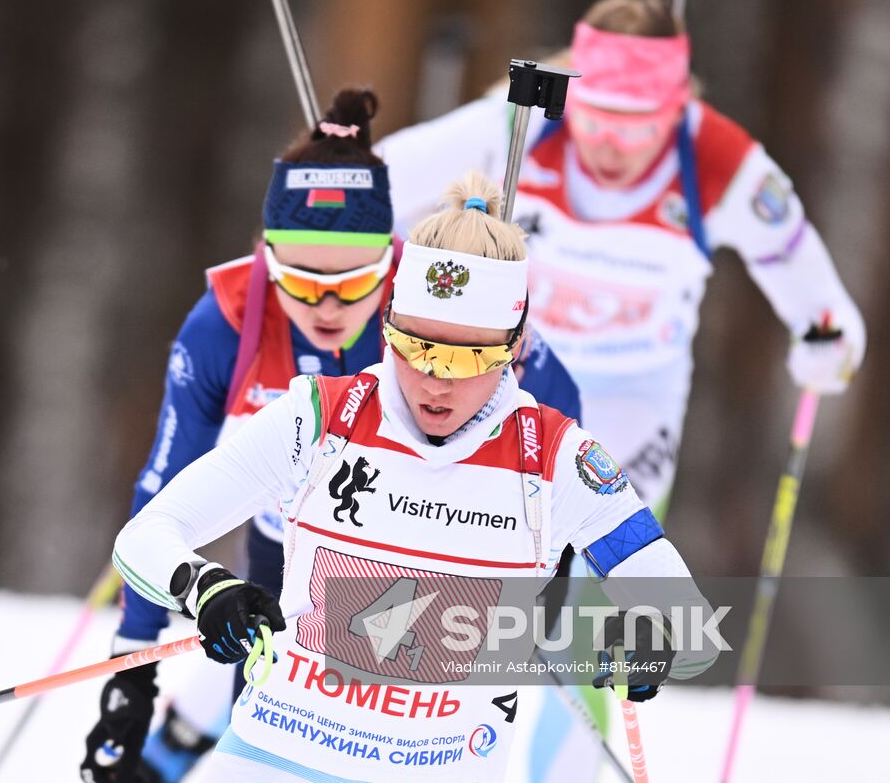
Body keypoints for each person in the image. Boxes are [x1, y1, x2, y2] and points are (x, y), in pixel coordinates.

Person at [375, 0, 866, 781]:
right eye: (595, 115)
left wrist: (828, 334)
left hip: (634, 407)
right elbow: (383, 180)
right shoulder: (523, 118)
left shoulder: (719, 157)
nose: (609, 142)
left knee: (595, 606)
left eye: (637, 124)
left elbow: (802, 267)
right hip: (509, 385)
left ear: (678, 107)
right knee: (459, 569)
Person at [107, 172, 717, 782]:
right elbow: (147, 534)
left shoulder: (556, 458)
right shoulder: (317, 418)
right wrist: (206, 588)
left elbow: (678, 612)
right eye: (414, 346)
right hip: (278, 761)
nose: (434, 380)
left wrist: (649, 636)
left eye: (464, 357)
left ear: (514, 345)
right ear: (389, 327)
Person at [80, 92, 582, 783]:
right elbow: (166, 495)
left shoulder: (444, 305)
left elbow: (560, 413)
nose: (327, 307)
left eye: (353, 284)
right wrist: (130, 672)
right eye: (299, 282)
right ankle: (178, 743)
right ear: (266, 260)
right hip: (287, 553)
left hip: (435, 557)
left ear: (390, 262)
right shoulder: (227, 321)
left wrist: (550, 570)